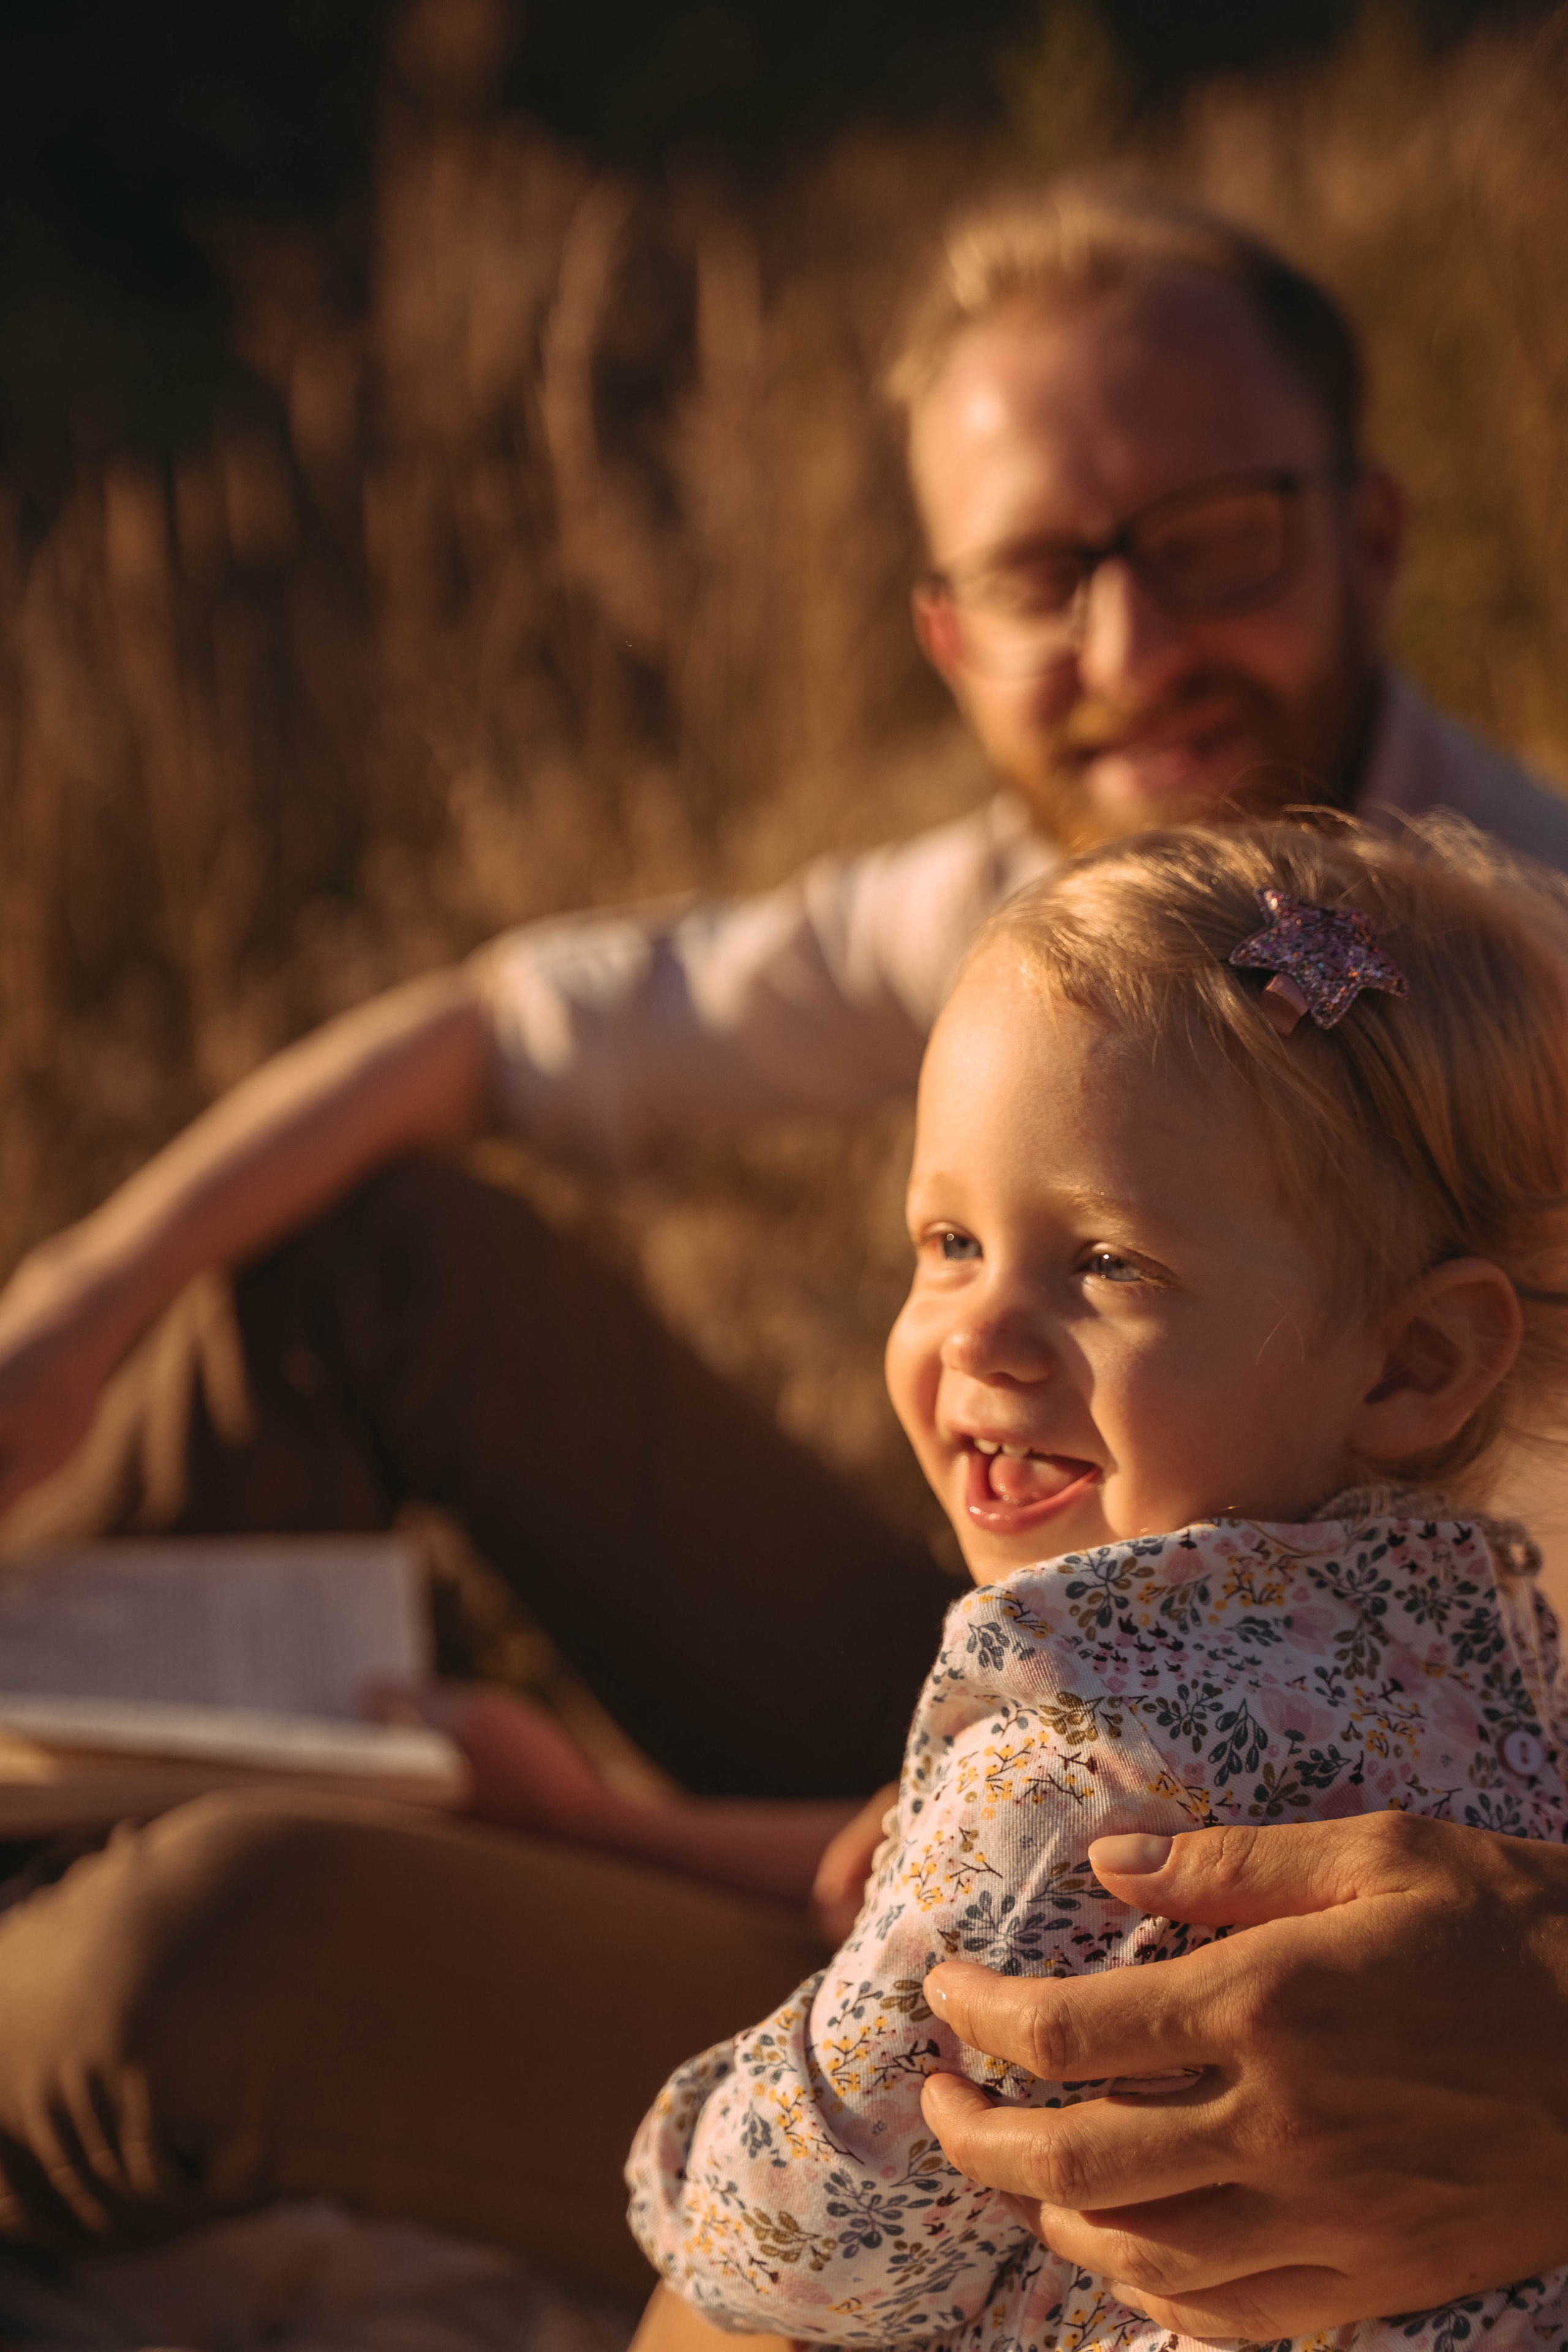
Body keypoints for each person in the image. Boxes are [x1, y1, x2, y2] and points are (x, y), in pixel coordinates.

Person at [0, 181, 1567, 2306]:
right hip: (1034, 1709)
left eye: (1213, 543)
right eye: (1044, 572)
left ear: (1365, 534)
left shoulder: (1492, 1008)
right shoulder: (1049, 923)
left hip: (1318, 1968)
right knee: (375, 1267)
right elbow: (495, 1026)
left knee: (175, 1955)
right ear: (949, 627)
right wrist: (77, 1309)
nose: (1130, 648)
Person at [627, 814, 1568, 2348]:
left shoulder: (1078, 1760)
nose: (977, 1336)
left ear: (1413, 1362)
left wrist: (688, 2157)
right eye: (946, 1241)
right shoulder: (1505, 1650)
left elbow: (806, 2233)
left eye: (1106, 1264)